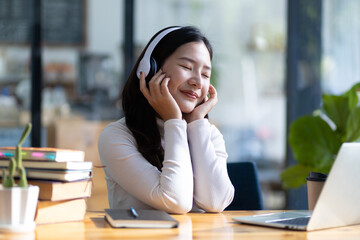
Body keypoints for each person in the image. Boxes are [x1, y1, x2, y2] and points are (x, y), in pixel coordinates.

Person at [98, 26, 234, 214]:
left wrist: (195, 124)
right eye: (186, 67)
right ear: (151, 70)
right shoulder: (116, 136)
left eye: (205, 74)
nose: (197, 82)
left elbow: (216, 202)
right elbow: (176, 201)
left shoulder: (208, 134)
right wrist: (174, 121)